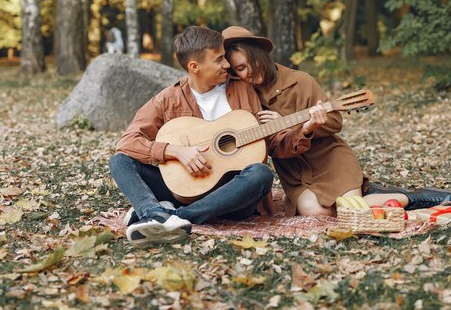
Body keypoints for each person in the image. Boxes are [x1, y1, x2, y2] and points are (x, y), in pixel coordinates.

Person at [222, 26, 451, 217]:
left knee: (352, 209)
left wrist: (295, 123)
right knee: (316, 213)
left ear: (259, 54)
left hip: (328, 158)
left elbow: (334, 123)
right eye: (239, 70)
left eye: (248, 63)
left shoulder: (300, 80)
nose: (248, 73)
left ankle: (411, 198)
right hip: (294, 169)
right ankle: (374, 194)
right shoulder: (244, 94)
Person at [109, 26, 317, 247]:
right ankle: (154, 212)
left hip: (233, 198)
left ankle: (172, 216)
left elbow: (271, 144)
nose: (227, 65)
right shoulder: (167, 99)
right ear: (194, 66)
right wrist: (176, 151)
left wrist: (303, 130)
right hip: (183, 189)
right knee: (120, 161)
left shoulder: (243, 90)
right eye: (219, 60)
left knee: (261, 174)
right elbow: (127, 142)